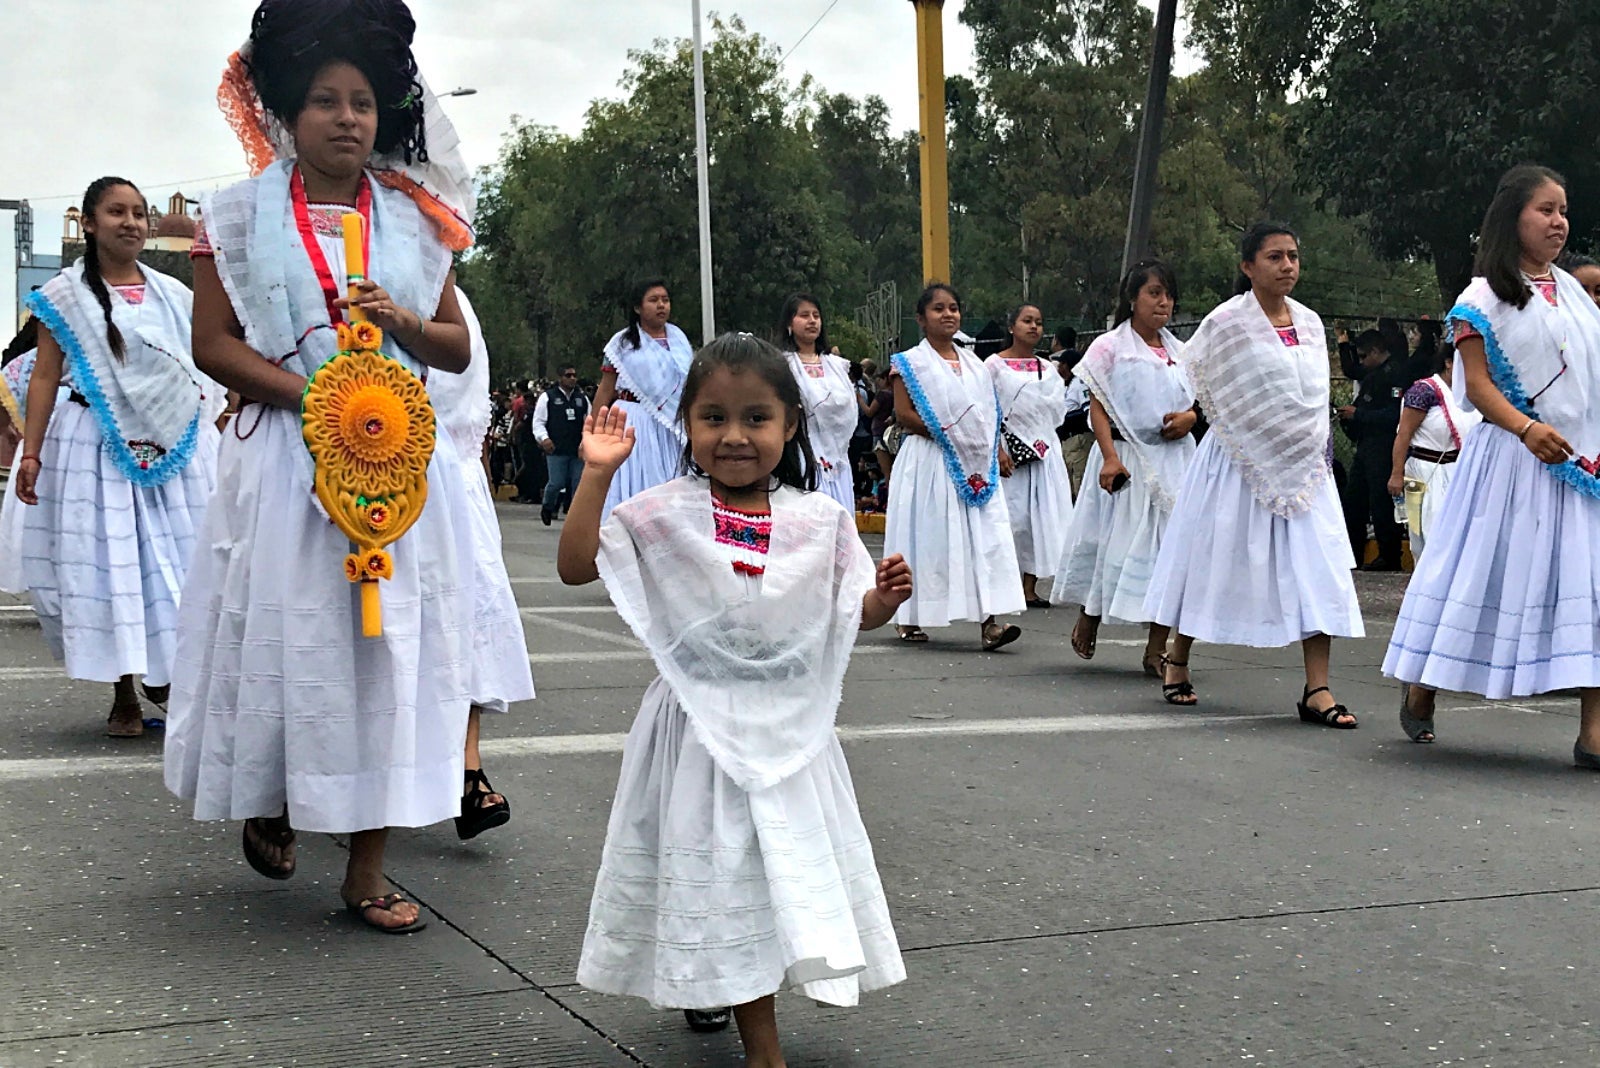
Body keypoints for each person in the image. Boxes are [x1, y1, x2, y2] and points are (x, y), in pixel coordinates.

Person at [164, 0, 481, 933]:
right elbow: (214, 343)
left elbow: (455, 349)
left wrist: (402, 328)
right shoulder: (231, 215)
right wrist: (318, 401)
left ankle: (369, 869)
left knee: (388, 660)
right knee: (287, 645)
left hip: (394, 477)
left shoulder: (420, 228)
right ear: (287, 116)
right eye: (326, 102)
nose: (349, 119)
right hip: (283, 472)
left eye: (365, 104)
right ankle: (272, 792)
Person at [557, 333, 908, 1068]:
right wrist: (595, 475)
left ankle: (731, 995)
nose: (735, 437)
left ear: (789, 426)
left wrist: (881, 597)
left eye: (757, 418)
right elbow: (576, 566)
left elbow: (851, 613)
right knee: (719, 868)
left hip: (788, 735)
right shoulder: (660, 512)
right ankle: (762, 1048)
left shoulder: (822, 521)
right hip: (695, 735)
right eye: (713, 418)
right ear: (686, 424)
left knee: (758, 870)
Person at [1385, 165, 1600, 755]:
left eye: (1563, 210)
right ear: (1513, 219)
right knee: (1474, 573)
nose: (1559, 222)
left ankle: (1594, 729)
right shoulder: (1481, 298)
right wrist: (1528, 428)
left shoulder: (1577, 294)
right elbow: (1476, 386)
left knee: (1589, 582)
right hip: (1509, 462)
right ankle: (1423, 685)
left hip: (1577, 469)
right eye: (1545, 210)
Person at [15, 177, 221, 737]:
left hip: (176, 450)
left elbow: (201, 366)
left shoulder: (174, 296)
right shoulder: (63, 296)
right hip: (95, 450)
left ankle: (172, 677)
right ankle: (125, 692)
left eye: (138, 213)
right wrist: (31, 454)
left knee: (179, 566)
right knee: (115, 568)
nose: (130, 222)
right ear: (88, 223)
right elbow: (46, 377)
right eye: (115, 212)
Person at [1143, 222, 1364, 725]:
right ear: (1248, 267)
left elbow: (1311, 394)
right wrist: (1223, 419)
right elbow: (1207, 381)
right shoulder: (1227, 322)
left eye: (1293, 256)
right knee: (1210, 558)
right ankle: (1177, 658)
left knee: (1317, 567)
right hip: (1238, 460)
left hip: (1304, 468)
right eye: (1275, 257)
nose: (1288, 265)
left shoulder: (1309, 322)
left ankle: (1318, 687)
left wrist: (1306, 445)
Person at [1054, 260, 1197, 678]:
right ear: (1133, 299)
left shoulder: (1181, 351)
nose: (1163, 301)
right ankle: (1091, 614)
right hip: (1125, 459)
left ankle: (1157, 649)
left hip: (1174, 462)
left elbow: (1198, 400)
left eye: (1168, 294)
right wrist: (1110, 457)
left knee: (1169, 554)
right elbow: (1096, 405)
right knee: (1113, 547)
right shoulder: (1109, 347)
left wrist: (1190, 417)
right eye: (1154, 293)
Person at [428, 285, 535, 838]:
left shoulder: (457, 301)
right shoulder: (359, 278)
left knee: (465, 624)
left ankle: (468, 772)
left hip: (456, 480)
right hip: (376, 473)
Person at [884, 283, 1026, 649]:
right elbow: (903, 414)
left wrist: (996, 449)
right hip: (929, 461)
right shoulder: (910, 364)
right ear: (921, 319)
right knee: (926, 539)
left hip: (973, 464)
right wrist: (948, 433)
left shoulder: (976, 367)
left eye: (953, 308)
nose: (948, 314)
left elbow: (988, 415)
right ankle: (909, 615)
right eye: (938, 309)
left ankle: (990, 621)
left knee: (981, 538)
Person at [985, 303, 1071, 607]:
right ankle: (1004, 585)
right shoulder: (992, 366)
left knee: (1038, 518)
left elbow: (1056, 409)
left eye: (1038, 322)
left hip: (1044, 450)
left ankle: (1029, 586)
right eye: (1026, 321)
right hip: (1009, 452)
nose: (1033, 327)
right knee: (1013, 517)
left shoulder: (1047, 369)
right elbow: (985, 408)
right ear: (1012, 327)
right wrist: (996, 449)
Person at [592, 279, 694, 520]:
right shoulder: (622, 343)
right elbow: (606, 390)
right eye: (654, 300)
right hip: (634, 420)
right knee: (639, 481)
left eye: (665, 300)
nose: (661, 305)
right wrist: (595, 432)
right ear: (638, 308)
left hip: (672, 424)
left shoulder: (679, 339)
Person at [1386, 343, 1480, 558]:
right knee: (1431, 535)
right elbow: (1404, 434)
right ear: (1449, 363)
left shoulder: (1471, 394)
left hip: (1460, 469)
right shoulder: (1424, 391)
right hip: (1426, 472)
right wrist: (1396, 473)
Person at [779, 292, 858, 514]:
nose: (812, 320)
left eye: (816, 315)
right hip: (801, 456)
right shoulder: (782, 366)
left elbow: (849, 411)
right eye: (804, 315)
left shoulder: (838, 367)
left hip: (838, 461)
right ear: (789, 324)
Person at [1337, 328, 1409, 570]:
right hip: (1366, 443)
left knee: (1381, 501)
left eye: (1364, 355)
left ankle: (1389, 555)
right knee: (1354, 500)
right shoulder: (1372, 375)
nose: (1362, 361)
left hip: (1384, 444)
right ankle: (1352, 554)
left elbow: (1395, 414)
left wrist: (1361, 415)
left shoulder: (1396, 374)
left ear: (1377, 351)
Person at [532, 363, 589, 525]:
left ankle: (575, 517)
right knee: (557, 482)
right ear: (560, 378)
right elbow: (538, 422)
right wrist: (544, 438)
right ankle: (548, 507)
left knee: (578, 484)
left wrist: (586, 440)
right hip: (556, 448)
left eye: (574, 375)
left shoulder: (581, 398)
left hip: (577, 449)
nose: (572, 379)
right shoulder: (548, 397)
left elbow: (589, 421)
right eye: (568, 375)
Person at [1054, 326, 1092, 498]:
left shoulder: (1079, 383)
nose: (1059, 367)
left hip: (1079, 439)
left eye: (1062, 363)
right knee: (1069, 486)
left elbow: (1087, 411)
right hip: (1068, 440)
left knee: (1080, 483)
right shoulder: (1067, 384)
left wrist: (1068, 421)